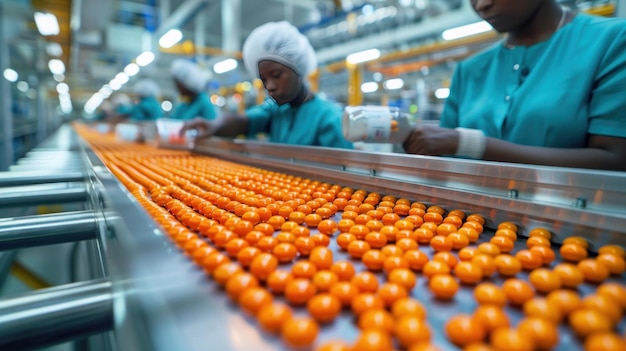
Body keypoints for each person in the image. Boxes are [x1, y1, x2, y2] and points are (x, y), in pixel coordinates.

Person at [402, 0, 626, 171]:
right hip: (470, 223)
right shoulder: (469, 70)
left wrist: (469, 143)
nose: (482, 4)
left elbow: (614, 159)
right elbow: (444, 159)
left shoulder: (610, 41)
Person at [180, 21, 353, 149]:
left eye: (276, 75)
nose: (269, 86)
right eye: (263, 80)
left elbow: (348, 174)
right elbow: (243, 122)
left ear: (298, 69)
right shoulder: (276, 110)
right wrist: (215, 125)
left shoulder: (329, 118)